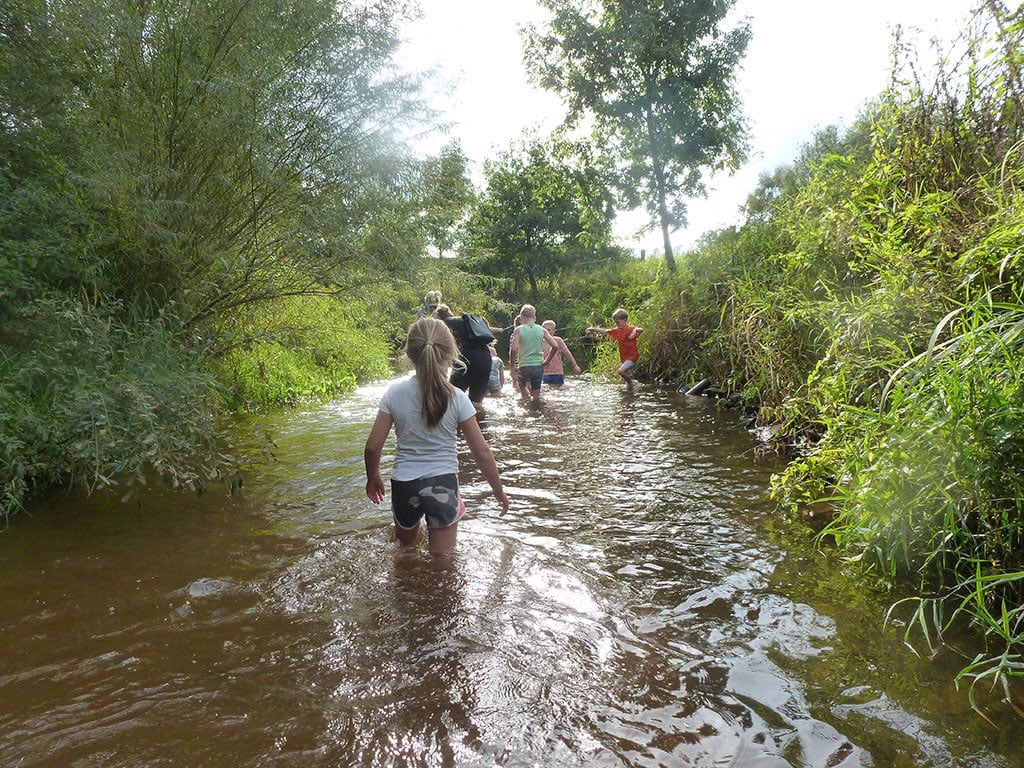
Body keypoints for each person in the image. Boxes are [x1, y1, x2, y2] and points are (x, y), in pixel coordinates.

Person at [364, 317, 509, 554]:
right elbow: (481, 451)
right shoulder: (458, 397)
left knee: (404, 552)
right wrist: (498, 490)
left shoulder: (394, 393)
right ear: (452, 352)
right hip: (442, 483)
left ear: (410, 355)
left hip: (404, 484)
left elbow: (372, 447)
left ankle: (401, 590)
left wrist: (373, 478)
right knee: (443, 563)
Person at [434, 304, 500, 405]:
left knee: (452, 399)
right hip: (485, 360)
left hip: (466, 360)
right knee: (476, 402)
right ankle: (478, 419)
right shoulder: (467, 321)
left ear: (438, 317)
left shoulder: (444, 324)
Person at [510, 304, 559, 401]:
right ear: (535, 317)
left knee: (523, 389)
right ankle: (536, 408)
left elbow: (513, 349)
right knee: (536, 395)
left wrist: (512, 367)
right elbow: (555, 346)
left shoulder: (518, 330)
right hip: (538, 366)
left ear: (522, 317)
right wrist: (547, 360)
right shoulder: (542, 330)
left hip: (523, 366)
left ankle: (527, 405)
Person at [586, 308, 644, 388]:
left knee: (621, 371)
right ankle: (631, 390)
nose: (616, 324)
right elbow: (605, 331)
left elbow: (641, 329)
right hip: (624, 358)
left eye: (618, 322)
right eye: (615, 322)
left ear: (625, 320)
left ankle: (632, 383)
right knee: (627, 376)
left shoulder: (630, 329)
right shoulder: (617, 330)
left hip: (632, 357)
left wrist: (635, 330)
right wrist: (593, 329)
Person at [541, 320, 581, 387]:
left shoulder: (558, 340)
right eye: (544, 330)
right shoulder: (538, 341)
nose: (546, 332)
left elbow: (567, 353)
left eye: (549, 330)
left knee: (556, 391)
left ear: (554, 331)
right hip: (543, 372)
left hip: (556, 372)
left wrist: (575, 365)